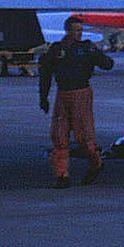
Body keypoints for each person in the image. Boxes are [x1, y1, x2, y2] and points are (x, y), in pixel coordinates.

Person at [38, 15, 114, 188]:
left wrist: (95, 53)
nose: (79, 34)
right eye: (76, 30)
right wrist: (43, 98)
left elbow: (108, 64)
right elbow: (45, 75)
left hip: (81, 94)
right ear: (68, 31)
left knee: (84, 138)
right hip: (63, 95)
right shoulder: (56, 50)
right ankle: (62, 175)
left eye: (81, 30)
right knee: (59, 136)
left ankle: (96, 163)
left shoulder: (86, 48)